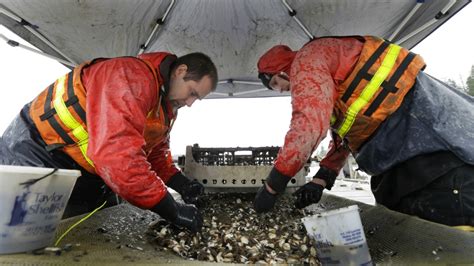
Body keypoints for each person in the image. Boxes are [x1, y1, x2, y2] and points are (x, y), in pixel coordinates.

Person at [253, 36, 474, 226]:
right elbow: (345, 131)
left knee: (452, 231)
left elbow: (308, 125)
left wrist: (273, 186)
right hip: (402, 150)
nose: (281, 90)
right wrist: (321, 178)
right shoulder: (324, 64)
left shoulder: (305, 61)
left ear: (282, 70)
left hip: (427, 142)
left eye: (275, 83)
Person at [0, 51, 218, 233]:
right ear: (181, 71)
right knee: (29, 237)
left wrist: (181, 184)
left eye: (196, 99)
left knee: (97, 230)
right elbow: (118, 156)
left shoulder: (165, 107)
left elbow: (154, 152)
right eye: (192, 93)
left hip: (84, 167)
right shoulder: (130, 77)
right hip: (37, 152)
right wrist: (171, 209)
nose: (190, 103)